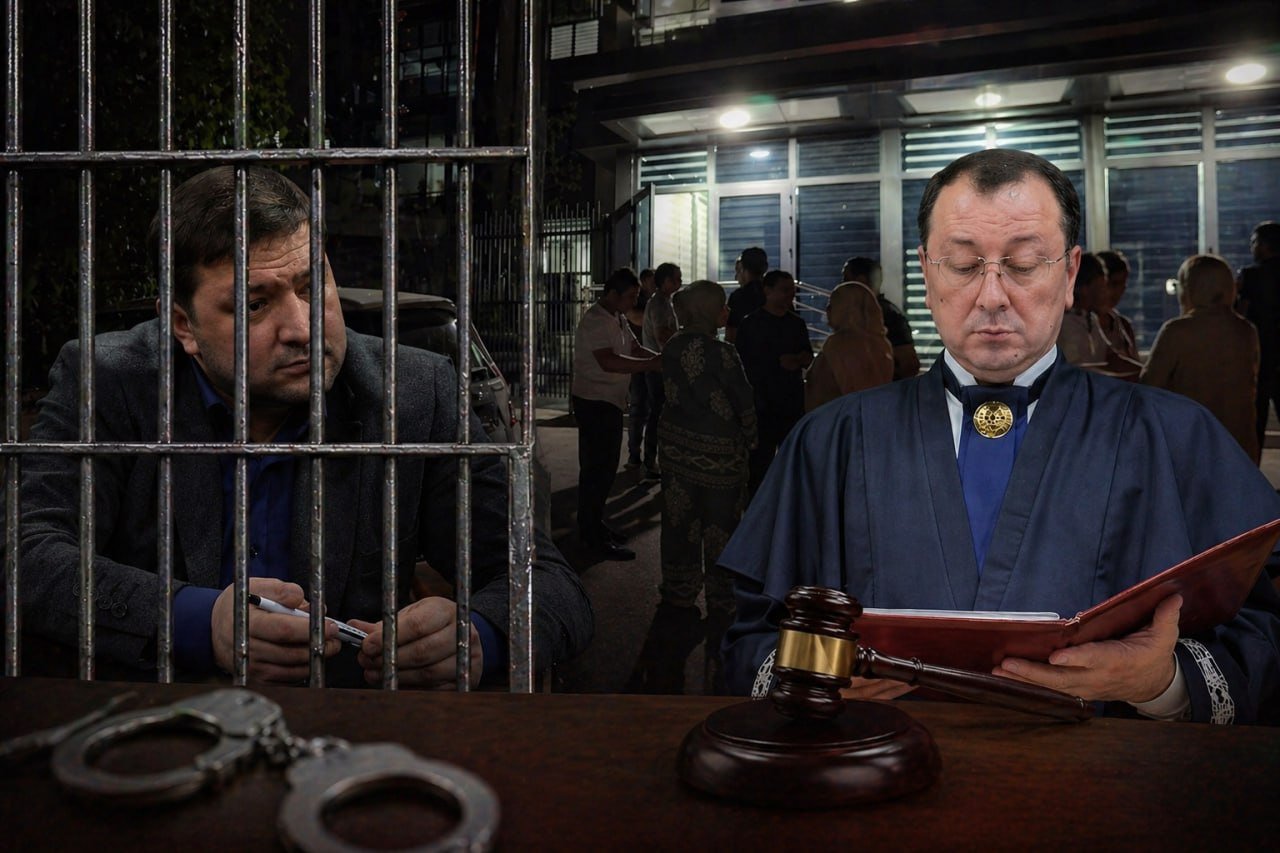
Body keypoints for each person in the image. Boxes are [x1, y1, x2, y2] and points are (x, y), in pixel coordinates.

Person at [719, 148, 1280, 725]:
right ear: (927, 273)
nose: (991, 296)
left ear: (1069, 274)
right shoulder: (829, 442)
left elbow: (1260, 631)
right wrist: (814, 678)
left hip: (1105, 775)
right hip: (877, 764)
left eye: (1026, 263)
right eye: (963, 265)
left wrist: (1162, 683)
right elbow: (754, 639)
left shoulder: (1175, 435)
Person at [19, 166, 593, 687]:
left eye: (310, 286)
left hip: (344, 730)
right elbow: (25, 555)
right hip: (160, 726)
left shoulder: (418, 392)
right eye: (254, 304)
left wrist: (478, 638)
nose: (302, 328)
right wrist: (195, 621)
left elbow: (548, 581)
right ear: (183, 326)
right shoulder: (107, 380)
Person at [657, 281, 757, 691]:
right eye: (722, 306)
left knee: (679, 520)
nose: (727, 313)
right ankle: (721, 597)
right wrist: (751, 435)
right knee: (721, 524)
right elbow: (742, 398)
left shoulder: (672, 347)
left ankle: (679, 591)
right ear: (710, 311)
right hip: (719, 457)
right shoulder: (724, 352)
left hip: (676, 450)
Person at [572, 267, 662, 561]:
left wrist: (661, 360)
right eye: (631, 296)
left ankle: (594, 525)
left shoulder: (617, 316)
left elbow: (634, 349)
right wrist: (652, 365)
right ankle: (591, 535)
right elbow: (609, 361)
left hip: (608, 402)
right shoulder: (596, 321)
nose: (635, 302)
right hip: (594, 402)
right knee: (597, 470)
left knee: (605, 469)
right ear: (612, 294)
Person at [1141, 254, 1260, 463]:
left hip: (1192, 445)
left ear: (1190, 288)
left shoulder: (1177, 331)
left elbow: (1148, 386)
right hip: (1240, 445)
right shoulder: (1246, 330)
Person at [733, 269, 813, 494]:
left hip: (791, 401)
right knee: (759, 464)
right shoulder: (751, 324)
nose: (790, 296)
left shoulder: (796, 324)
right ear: (768, 291)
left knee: (792, 460)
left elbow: (808, 356)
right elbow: (741, 364)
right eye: (785, 290)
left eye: (792, 291)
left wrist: (797, 360)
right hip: (762, 403)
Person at [804, 281, 893, 411]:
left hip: (836, 418)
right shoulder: (880, 343)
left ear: (847, 309)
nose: (827, 309)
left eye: (832, 304)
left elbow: (854, 395)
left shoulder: (841, 345)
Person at [1237, 221, 1280, 451]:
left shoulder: (1251, 276)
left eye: (1254, 242)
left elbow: (1240, 317)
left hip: (1260, 357)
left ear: (1264, 245)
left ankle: (1251, 471)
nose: (1251, 247)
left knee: (1254, 425)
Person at [840, 256, 920, 380]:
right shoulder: (855, 314)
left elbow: (909, 364)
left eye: (845, 279)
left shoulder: (887, 315)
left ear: (860, 281)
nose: (841, 285)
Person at [640, 262, 682, 480]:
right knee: (658, 415)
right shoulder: (658, 304)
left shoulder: (665, 302)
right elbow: (662, 336)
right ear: (665, 281)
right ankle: (650, 462)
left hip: (660, 365)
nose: (680, 283)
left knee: (659, 414)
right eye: (676, 279)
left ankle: (654, 460)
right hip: (658, 366)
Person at [625, 268, 657, 469]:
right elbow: (635, 316)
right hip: (639, 362)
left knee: (649, 410)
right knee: (638, 409)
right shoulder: (639, 301)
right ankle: (635, 455)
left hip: (649, 360)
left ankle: (644, 457)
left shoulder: (656, 302)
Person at [1057, 252, 1108, 366]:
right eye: (1100, 289)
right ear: (1084, 289)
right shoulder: (1062, 323)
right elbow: (1077, 368)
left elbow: (1111, 355)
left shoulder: (1092, 319)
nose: (1106, 294)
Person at [725, 246, 768, 344]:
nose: (736, 278)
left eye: (738, 271)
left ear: (742, 269)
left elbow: (731, 335)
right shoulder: (774, 294)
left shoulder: (738, 297)